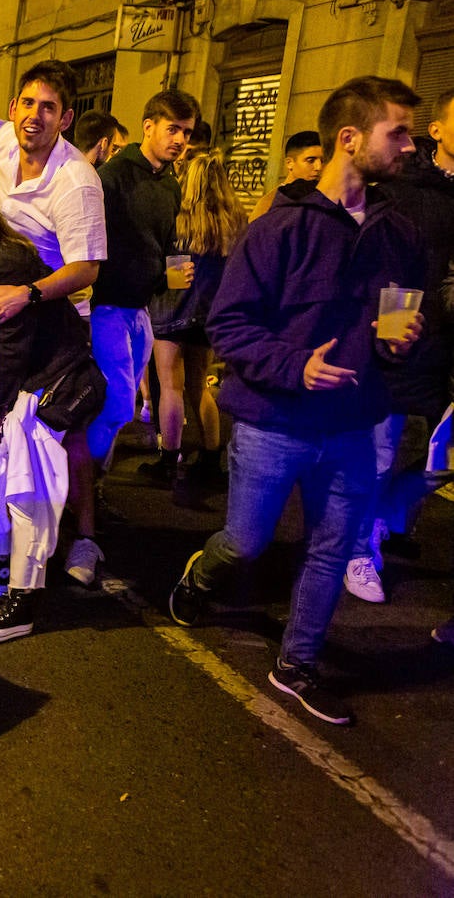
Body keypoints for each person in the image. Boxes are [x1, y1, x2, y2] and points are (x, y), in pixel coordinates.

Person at [168, 76, 425, 726]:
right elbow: (228, 325)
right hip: (274, 422)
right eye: (396, 131)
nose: (410, 144)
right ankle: (203, 575)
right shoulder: (278, 229)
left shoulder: (400, 234)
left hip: (354, 423)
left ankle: (296, 665)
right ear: (350, 138)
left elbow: (398, 326)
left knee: (332, 546)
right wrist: (295, 366)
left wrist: (399, 344)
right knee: (248, 542)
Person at [0, 177, 95, 639]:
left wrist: (5, 410)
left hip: (46, 386)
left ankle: (23, 600)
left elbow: (15, 346)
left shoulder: (5, 260)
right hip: (25, 385)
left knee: (26, 490)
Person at [0, 60, 108, 587]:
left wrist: (28, 294)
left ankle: (87, 539)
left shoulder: (76, 181)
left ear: (66, 118)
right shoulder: (5, 140)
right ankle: (14, 532)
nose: (34, 116)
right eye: (27, 103)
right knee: (11, 426)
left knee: (65, 430)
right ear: (13, 108)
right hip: (8, 317)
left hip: (54, 319)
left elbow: (86, 268)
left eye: (48, 108)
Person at [343, 89, 454, 605]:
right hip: (404, 341)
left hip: (445, 348)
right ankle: (358, 549)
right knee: (383, 452)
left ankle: (382, 515)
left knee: (440, 462)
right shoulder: (405, 187)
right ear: (437, 130)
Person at [86, 89, 199, 489]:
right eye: (173, 129)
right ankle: (83, 485)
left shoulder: (170, 185)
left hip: (141, 310)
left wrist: (165, 275)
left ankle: (93, 490)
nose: (180, 140)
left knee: (123, 409)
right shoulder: (112, 177)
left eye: (186, 132)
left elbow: (163, 244)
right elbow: (91, 241)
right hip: (106, 308)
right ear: (148, 127)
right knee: (115, 406)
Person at [141, 151, 242, 497]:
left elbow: (166, 267)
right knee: (200, 388)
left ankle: (169, 461)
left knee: (170, 387)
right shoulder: (233, 221)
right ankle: (212, 459)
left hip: (171, 310)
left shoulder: (178, 217)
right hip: (209, 314)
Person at [250, 130, 324, 220]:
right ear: (289, 163)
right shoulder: (269, 203)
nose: (319, 167)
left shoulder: (325, 198)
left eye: (323, 161)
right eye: (310, 160)